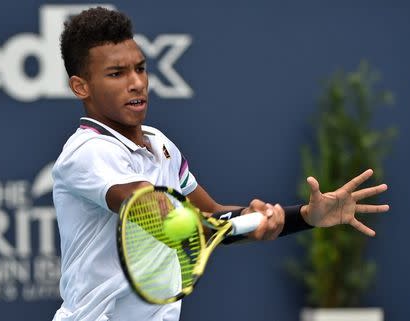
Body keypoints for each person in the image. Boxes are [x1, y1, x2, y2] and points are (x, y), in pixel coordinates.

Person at [51, 7, 389, 321]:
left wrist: (301, 217)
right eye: (116, 73)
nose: (136, 82)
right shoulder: (88, 150)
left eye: (140, 68)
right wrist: (241, 221)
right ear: (81, 86)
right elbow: (154, 212)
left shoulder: (160, 144)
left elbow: (211, 215)